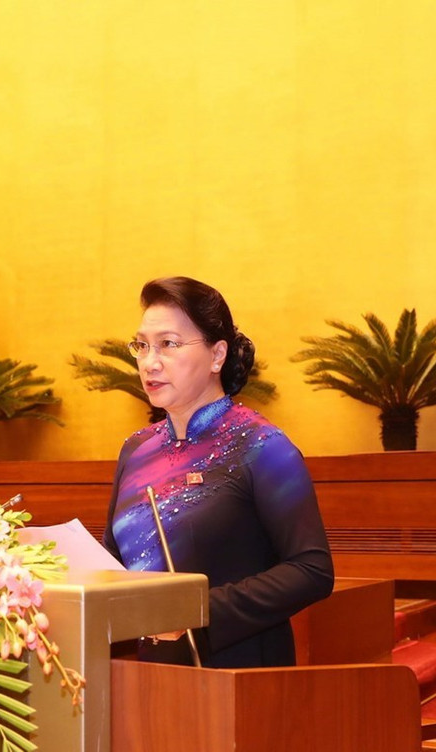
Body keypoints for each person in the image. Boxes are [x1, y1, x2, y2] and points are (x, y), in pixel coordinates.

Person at [103, 277, 334, 668]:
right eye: (142, 345)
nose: (149, 362)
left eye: (168, 344)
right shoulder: (135, 450)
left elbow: (311, 570)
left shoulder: (261, 445)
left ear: (217, 355)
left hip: (238, 674)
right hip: (146, 676)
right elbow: (113, 562)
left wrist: (197, 611)